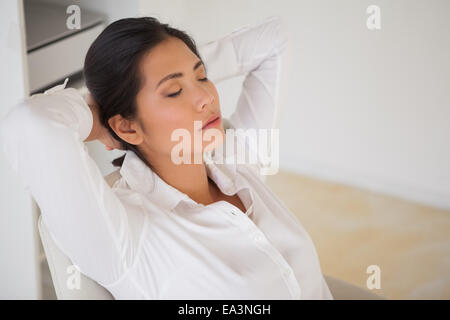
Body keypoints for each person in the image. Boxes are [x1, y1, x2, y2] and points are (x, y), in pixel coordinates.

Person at [0, 15, 333, 299]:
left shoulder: (236, 162)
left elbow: (273, 40)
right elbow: (29, 123)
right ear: (127, 128)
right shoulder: (126, 237)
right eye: (174, 91)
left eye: (202, 76)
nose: (205, 97)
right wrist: (98, 111)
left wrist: (170, 68)